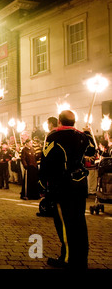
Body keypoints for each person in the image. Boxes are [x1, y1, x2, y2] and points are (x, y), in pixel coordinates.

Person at [39, 110, 96, 269]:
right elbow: (92, 152)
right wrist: (89, 133)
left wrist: (42, 183)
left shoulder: (53, 137)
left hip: (61, 186)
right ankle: (81, 259)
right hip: (79, 185)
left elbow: (46, 161)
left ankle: (67, 258)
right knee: (79, 222)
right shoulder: (82, 137)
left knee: (64, 223)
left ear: (59, 121)